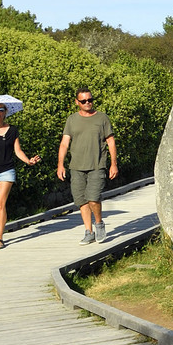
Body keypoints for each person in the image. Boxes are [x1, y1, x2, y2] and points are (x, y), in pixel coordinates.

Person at [57, 88, 117, 245]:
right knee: (81, 200)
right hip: (76, 166)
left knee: (93, 198)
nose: (87, 103)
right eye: (83, 101)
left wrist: (113, 164)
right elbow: (64, 143)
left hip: (97, 165)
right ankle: (88, 231)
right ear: (77, 102)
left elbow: (110, 141)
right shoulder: (72, 120)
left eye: (90, 100)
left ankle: (99, 223)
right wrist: (60, 165)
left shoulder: (102, 118)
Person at [0, 103, 41, 249]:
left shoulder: (12, 130)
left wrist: (28, 161)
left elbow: (17, 150)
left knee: (0, 204)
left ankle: (0, 237)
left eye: (1, 109)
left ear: (5, 112)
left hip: (6, 171)